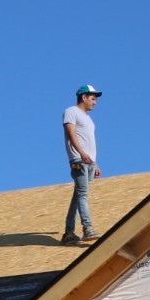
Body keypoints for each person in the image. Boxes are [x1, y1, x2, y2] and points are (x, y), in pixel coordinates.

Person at [61, 84, 102, 244]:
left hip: (88, 161)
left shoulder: (88, 119)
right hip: (79, 160)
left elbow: (89, 142)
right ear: (83, 97)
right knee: (83, 194)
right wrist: (82, 154)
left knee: (78, 195)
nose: (95, 102)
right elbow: (71, 134)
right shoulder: (71, 112)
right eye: (92, 98)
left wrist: (94, 163)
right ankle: (87, 228)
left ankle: (69, 232)